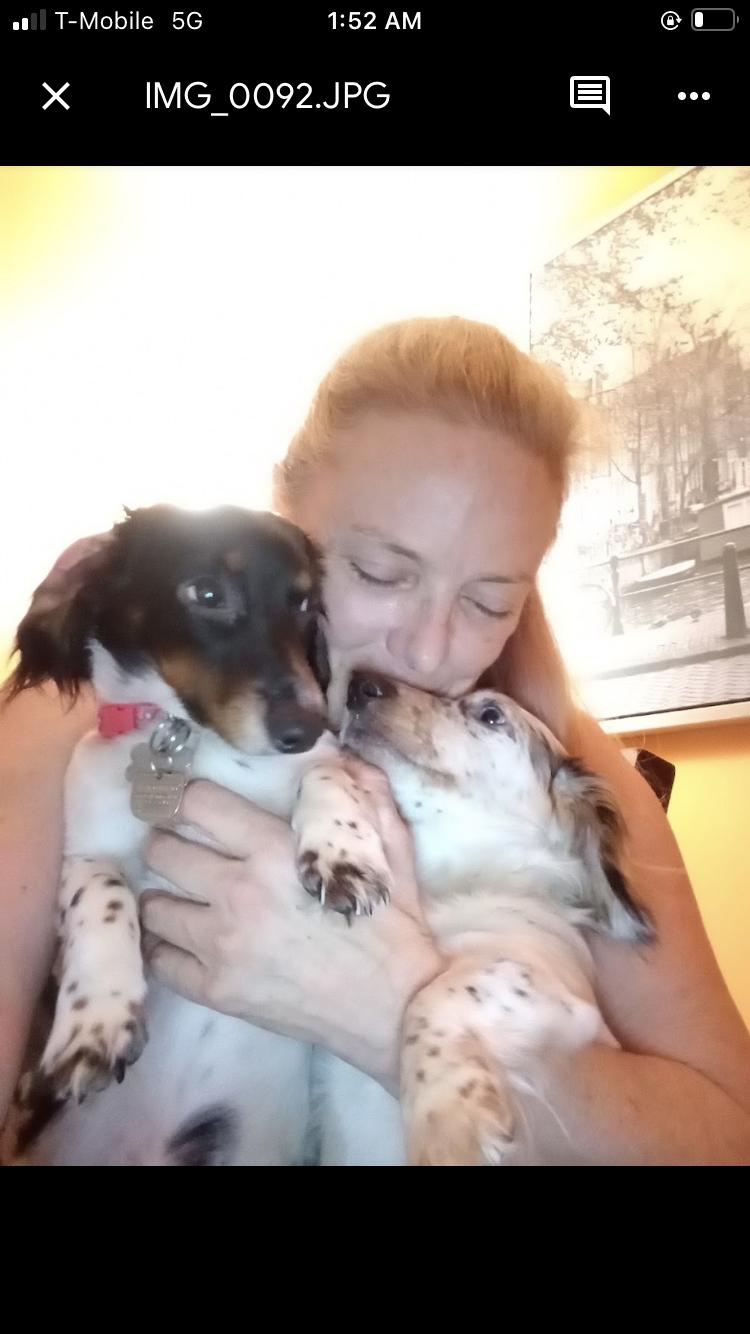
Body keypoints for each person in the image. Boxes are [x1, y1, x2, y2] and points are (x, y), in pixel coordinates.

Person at [2, 317, 750, 1165]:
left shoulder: (555, 768)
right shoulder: (91, 715)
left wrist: (389, 1012)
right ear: (284, 521)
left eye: (490, 602)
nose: (427, 655)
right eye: (378, 573)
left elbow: (728, 1133)